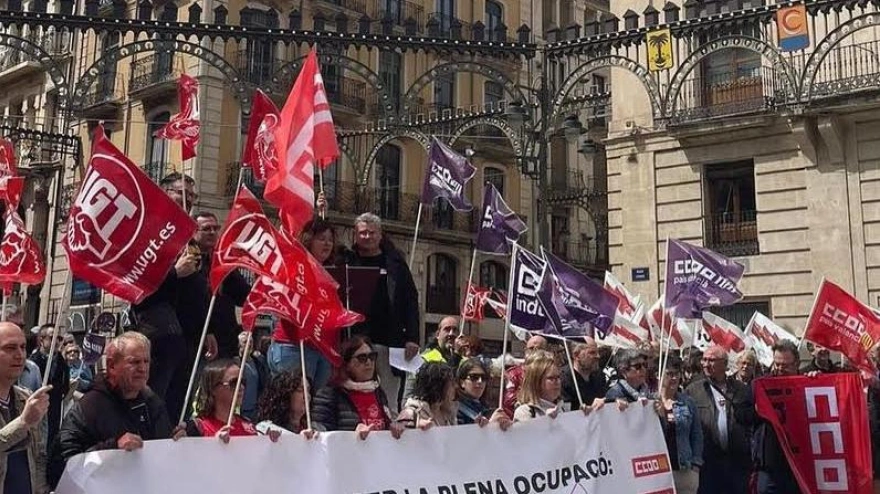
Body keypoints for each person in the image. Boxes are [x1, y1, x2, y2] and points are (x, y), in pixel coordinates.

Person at [132, 172, 218, 422]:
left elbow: (195, 288)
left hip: (188, 337)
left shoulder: (187, 234)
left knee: (177, 405)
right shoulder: (149, 227)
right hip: (160, 332)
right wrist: (175, 274)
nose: (187, 199)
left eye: (192, 195)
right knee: (154, 401)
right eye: (182, 193)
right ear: (165, 192)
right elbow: (139, 277)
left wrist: (207, 328)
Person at [52, 332, 183, 485]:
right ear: (112, 365)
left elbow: (164, 456)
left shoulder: (154, 404)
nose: (142, 368)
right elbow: (60, 466)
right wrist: (112, 448)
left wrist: (177, 442)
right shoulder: (88, 407)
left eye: (146, 361)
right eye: (134, 362)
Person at [344, 213, 420, 413]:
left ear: (380, 235)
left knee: (389, 399)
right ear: (355, 235)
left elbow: (411, 301)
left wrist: (412, 337)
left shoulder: (395, 263)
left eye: (371, 232)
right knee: (355, 394)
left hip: (389, 342)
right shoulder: (346, 260)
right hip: (355, 341)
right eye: (362, 233)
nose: (367, 236)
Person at [268, 219, 340, 389]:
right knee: (292, 402)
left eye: (330, 239)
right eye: (322, 238)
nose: (327, 243)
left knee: (312, 407)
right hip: (294, 346)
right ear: (309, 240)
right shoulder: (294, 266)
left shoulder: (330, 274)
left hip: (322, 349)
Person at [685, 345, 754, 494]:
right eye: (704, 360)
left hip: (737, 463)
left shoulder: (741, 389)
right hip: (708, 463)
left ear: (724, 363)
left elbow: (751, 421)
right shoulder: (693, 390)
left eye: (711, 360)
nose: (706, 364)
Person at [311, 336, 404, 439]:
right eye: (362, 358)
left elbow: (386, 425)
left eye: (372, 356)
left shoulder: (379, 393)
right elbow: (319, 434)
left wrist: (393, 427)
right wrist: (352, 434)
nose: (369, 362)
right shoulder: (328, 395)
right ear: (347, 364)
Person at [0, 322, 51, 494]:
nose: (20, 355)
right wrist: (23, 422)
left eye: (23, 347)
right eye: (10, 348)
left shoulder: (26, 398)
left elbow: (38, 453)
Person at [194, 211, 250, 360]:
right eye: (206, 229)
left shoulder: (221, 260)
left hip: (225, 338)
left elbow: (243, 296)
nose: (212, 232)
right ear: (194, 232)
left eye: (215, 228)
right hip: (198, 339)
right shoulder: (188, 260)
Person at [753, 340, 800, 494]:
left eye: (785, 365)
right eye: (777, 363)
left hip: (800, 463)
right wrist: (757, 410)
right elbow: (743, 415)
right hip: (770, 463)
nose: (780, 369)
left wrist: (816, 380)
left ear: (796, 364)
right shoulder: (760, 385)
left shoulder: (806, 382)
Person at [186, 359, 270, 442]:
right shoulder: (198, 428)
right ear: (213, 389)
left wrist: (269, 442)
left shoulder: (249, 426)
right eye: (233, 383)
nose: (241, 387)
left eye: (243, 382)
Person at [658, 355, 703, 494]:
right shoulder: (648, 402)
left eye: (677, 374)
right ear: (658, 375)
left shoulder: (688, 402)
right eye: (669, 374)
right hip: (658, 472)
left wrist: (695, 465)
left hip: (684, 469)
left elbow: (697, 435)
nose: (674, 378)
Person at [28, 324, 69, 453]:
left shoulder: (62, 362)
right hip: (36, 409)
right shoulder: (33, 362)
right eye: (52, 337)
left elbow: (65, 386)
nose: (56, 342)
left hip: (54, 408)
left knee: (51, 441)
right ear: (42, 340)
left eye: (59, 338)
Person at [402, 316, 458, 400]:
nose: (451, 333)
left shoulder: (463, 361)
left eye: (455, 330)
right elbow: (408, 395)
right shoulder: (423, 359)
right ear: (437, 334)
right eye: (447, 329)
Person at [398, 362, 458, 428]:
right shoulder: (411, 414)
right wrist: (414, 425)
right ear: (438, 387)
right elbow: (400, 430)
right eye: (451, 384)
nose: (455, 387)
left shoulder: (449, 414)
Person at [255, 371, 313, 436]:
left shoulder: (312, 431)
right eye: (300, 390)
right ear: (285, 395)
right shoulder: (265, 429)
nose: (307, 396)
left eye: (308, 390)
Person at [503, 334, 547, 416]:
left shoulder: (551, 373)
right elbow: (509, 401)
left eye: (539, 349)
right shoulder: (514, 373)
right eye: (531, 349)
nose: (535, 352)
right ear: (525, 350)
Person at [513, 350, 565, 421]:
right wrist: (546, 421)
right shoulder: (524, 412)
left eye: (558, 377)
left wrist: (582, 417)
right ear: (536, 382)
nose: (557, 382)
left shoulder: (562, 407)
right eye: (551, 378)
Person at [561, 338, 608, 410]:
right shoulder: (563, 379)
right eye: (592, 353)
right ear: (576, 355)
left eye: (597, 352)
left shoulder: (599, 376)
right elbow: (566, 413)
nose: (598, 356)